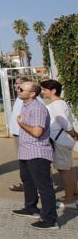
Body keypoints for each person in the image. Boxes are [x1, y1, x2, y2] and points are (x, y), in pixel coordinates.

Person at [12, 82, 59, 230]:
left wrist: (21, 124)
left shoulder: (38, 108)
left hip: (37, 152)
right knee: (28, 182)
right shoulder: (26, 106)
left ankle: (50, 219)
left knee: (44, 186)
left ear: (32, 94)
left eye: (21, 89)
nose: (18, 90)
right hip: (26, 152)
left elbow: (37, 132)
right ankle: (31, 208)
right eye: (18, 88)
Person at [40, 79, 78, 209]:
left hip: (60, 140)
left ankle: (70, 199)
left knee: (64, 170)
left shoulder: (56, 105)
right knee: (69, 168)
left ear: (53, 90)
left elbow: (65, 123)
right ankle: (73, 194)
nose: (43, 92)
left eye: (45, 89)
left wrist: (73, 134)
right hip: (64, 139)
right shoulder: (61, 103)